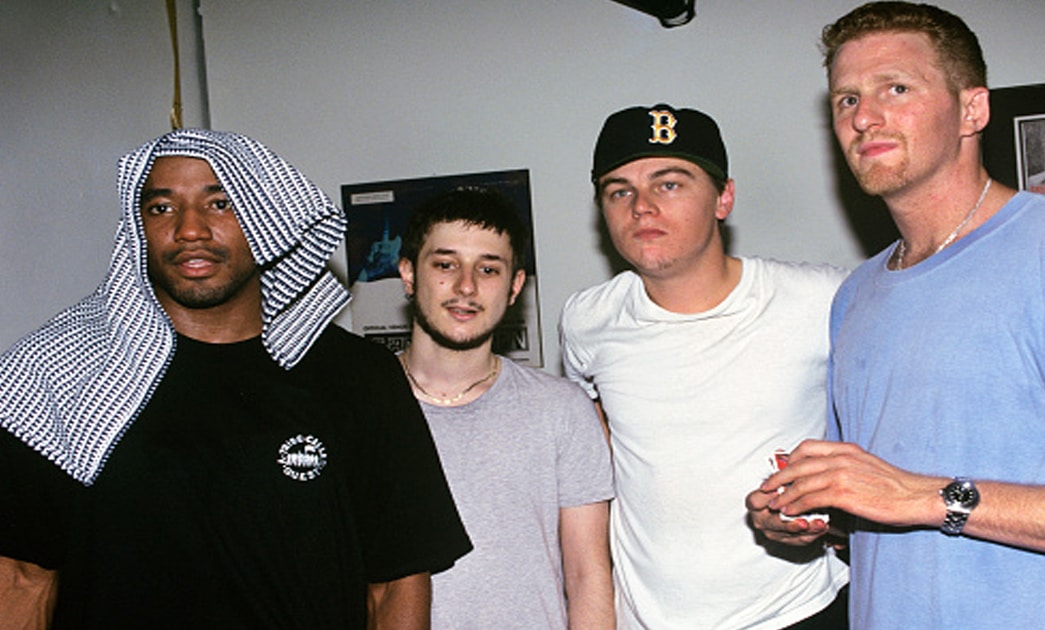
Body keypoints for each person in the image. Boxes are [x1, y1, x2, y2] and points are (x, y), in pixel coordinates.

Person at [746, 3, 1045, 629]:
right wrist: (816, 516)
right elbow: (891, 503)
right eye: (846, 99)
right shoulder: (857, 294)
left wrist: (927, 497)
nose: (865, 116)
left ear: (972, 110)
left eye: (896, 88)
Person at [0, 128, 472, 629]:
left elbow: (396, 583)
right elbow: (22, 580)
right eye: (161, 208)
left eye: (220, 203)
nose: (189, 230)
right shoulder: (54, 373)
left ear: (269, 219)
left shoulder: (359, 377)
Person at [560, 103, 850, 630]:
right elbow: (594, 444)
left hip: (796, 612)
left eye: (669, 184)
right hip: (645, 619)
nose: (641, 207)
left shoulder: (820, 299)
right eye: (619, 190)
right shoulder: (587, 320)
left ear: (724, 197)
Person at [394, 186, 615, 629]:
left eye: (488, 269)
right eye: (444, 264)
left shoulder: (562, 409)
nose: (466, 286)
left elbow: (588, 576)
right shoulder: (355, 402)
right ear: (408, 274)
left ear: (515, 286)